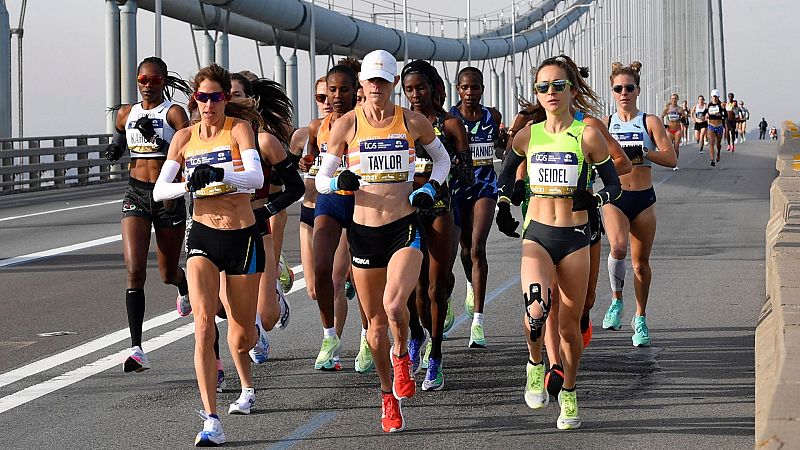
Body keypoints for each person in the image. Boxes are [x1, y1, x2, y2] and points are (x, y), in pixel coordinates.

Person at [315, 49, 450, 433]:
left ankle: (402, 354)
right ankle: (388, 395)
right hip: (363, 233)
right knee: (375, 327)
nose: (376, 86)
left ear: (392, 83)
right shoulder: (346, 125)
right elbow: (321, 179)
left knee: (394, 305)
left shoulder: (412, 121)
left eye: (383, 80)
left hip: (403, 227)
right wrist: (337, 181)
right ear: (363, 83)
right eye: (371, 80)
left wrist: (431, 188)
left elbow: (441, 161)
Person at [495, 56, 621, 430]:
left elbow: (614, 185)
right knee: (536, 310)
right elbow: (505, 178)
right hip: (537, 236)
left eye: (558, 85)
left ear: (571, 90)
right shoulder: (527, 135)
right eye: (543, 86)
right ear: (537, 93)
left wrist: (594, 199)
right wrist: (505, 204)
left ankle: (568, 390)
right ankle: (535, 364)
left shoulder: (588, 135)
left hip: (575, 239)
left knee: (568, 328)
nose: (550, 92)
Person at [153, 63, 266, 446]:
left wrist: (220, 175)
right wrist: (189, 183)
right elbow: (160, 191)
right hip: (203, 235)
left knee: (242, 334)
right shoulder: (184, 138)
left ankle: (250, 356)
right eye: (202, 97)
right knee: (203, 324)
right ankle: (211, 420)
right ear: (195, 99)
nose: (209, 104)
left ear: (225, 99)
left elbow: (255, 179)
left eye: (216, 97)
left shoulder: (239, 129)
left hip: (242, 237)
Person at [105, 56, 192, 373]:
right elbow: (119, 138)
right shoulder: (126, 113)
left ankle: (183, 285)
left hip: (166, 194)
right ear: (137, 80)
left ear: (164, 82)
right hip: (136, 194)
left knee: (167, 273)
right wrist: (115, 149)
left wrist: (157, 140)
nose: (148, 85)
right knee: (135, 270)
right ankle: (137, 348)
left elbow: (189, 151)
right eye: (143, 79)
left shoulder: (173, 113)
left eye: (155, 80)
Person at [401, 59, 471, 390]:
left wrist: (445, 166)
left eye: (420, 87)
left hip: (441, 207)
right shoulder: (401, 123)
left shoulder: (451, 125)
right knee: (412, 287)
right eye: (409, 89)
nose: (415, 94)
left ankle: (437, 357)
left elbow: (467, 173)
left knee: (435, 286)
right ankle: (416, 335)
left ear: (433, 88)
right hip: (406, 210)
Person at [600, 62, 678, 349]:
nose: (624, 92)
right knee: (618, 248)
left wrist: (644, 152)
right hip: (616, 198)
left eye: (629, 88)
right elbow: (592, 158)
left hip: (644, 199)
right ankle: (616, 301)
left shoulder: (650, 121)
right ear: (612, 92)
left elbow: (671, 158)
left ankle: (640, 317)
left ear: (638, 91)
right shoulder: (605, 124)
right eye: (618, 88)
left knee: (640, 265)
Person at [306, 60, 362, 371]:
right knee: (321, 268)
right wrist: (307, 163)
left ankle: (368, 335)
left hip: (361, 204)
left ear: (356, 91)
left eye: (344, 90)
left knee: (363, 276)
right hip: (329, 201)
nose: (337, 96)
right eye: (332, 90)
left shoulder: (365, 122)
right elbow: (313, 162)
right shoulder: (318, 127)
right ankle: (329, 336)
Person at [450, 66, 503, 348]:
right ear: (458, 89)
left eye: (475, 87)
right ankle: (470, 285)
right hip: (458, 189)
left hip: (485, 187)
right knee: (465, 248)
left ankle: (478, 322)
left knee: (478, 247)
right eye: (465, 87)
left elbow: (500, 147)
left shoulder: (493, 116)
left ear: (482, 88)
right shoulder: (450, 119)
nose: (470, 92)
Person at [661, 93, 683, 170]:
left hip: (677, 129)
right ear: (670, 99)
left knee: (676, 147)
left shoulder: (680, 109)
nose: (674, 100)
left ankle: (675, 163)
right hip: (669, 129)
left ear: (677, 99)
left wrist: (683, 118)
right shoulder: (667, 109)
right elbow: (662, 116)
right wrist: (663, 125)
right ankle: (670, 160)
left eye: (675, 98)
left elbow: (685, 118)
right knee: (670, 147)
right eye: (672, 98)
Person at [706, 90, 725, 166]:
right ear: (711, 97)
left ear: (718, 97)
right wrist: (706, 115)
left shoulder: (721, 105)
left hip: (719, 125)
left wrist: (720, 114)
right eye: (713, 96)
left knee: (718, 144)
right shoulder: (709, 105)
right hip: (711, 125)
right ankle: (712, 159)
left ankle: (718, 153)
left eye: (716, 96)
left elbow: (725, 115)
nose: (714, 98)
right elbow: (705, 113)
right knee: (711, 143)